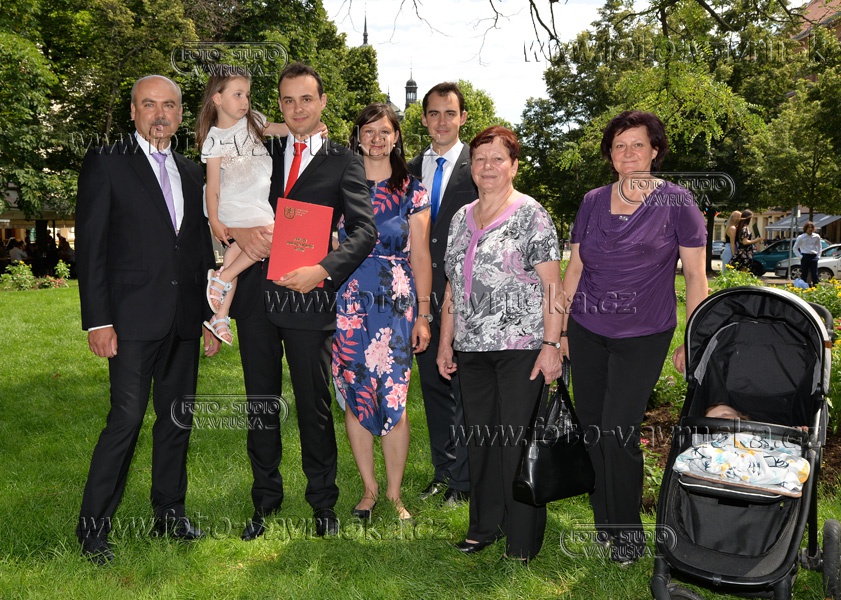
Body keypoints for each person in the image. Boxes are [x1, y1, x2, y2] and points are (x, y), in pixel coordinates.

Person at [226, 62, 376, 540]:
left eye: (306, 99)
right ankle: (265, 500)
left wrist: (323, 270)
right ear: (279, 105)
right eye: (288, 101)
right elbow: (224, 173)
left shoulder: (344, 160)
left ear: (322, 102)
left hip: (309, 297)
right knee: (260, 403)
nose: (297, 109)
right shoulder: (259, 151)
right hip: (256, 298)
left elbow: (365, 231)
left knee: (313, 406)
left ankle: (322, 502)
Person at [75, 75, 219, 565]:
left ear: (180, 114)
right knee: (126, 419)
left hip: (183, 319)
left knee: (177, 419)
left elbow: (198, 250)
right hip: (130, 320)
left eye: (169, 105)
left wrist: (209, 316)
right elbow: (91, 247)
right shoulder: (107, 162)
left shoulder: (192, 172)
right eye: (149, 104)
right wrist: (98, 321)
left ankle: (170, 514)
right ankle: (93, 529)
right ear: (133, 111)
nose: (160, 114)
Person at [560, 110, 707, 565]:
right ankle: (605, 525)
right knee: (592, 430)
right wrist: (559, 329)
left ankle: (628, 536)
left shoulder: (678, 202)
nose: (627, 153)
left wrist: (694, 339)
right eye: (619, 146)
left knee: (617, 432)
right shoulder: (592, 201)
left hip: (644, 333)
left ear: (655, 151)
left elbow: (696, 278)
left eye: (637, 145)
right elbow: (575, 268)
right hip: (586, 328)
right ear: (610, 154)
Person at [437, 126, 563, 562]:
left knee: (516, 443)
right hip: (472, 349)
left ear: (513, 165)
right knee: (481, 441)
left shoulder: (531, 214)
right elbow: (453, 286)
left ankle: (522, 540)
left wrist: (552, 344)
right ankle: (484, 526)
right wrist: (446, 343)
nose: (487, 166)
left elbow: (553, 287)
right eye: (480, 159)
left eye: (497, 159)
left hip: (521, 347)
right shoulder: (461, 217)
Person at [333, 103, 432, 522]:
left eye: (384, 131)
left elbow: (421, 255)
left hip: (396, 303)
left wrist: (424, 314)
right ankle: (368, 490)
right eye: (368, 131)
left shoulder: (413, 190)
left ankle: (394, 494)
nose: (376, 139)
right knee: (356, 392)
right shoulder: (340, 182)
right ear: (357, 136)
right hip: (350, 301)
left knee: (394, 394)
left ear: (396, 137)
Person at [196, 65, 328, 345]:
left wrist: (314, 128)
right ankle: (224, 277)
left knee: (237, 252)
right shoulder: (214, 139)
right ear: (217, 98)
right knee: (276, 237)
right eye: (237, 94)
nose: (245, 101)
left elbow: (285, 128)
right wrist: (215, 221)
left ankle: (220, 314)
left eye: (247, 95)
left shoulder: (254, 121)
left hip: (256, 203)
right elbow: (213, 186)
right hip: (235, 203)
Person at [407, 82, 477, 505]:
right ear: (424, 119)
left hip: (466, 295)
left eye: (450, 113)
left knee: (464, 390)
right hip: (421, 293)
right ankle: (444, 470)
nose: (441, 121)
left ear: (462, 118)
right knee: (433, 386)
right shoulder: (409, 168)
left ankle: (464, 483)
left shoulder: (480, 165)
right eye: (433, 113)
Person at [793, 221, 821, 286]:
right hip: (805, 256)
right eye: (809, 227)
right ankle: (803, 288)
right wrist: (801, 257)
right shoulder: (801, 237)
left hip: (813, 256)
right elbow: (795, 248)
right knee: (804, 274)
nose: (810, 229)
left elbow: (819, 247)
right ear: (806, 228)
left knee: (815, 274)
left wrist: (818, 256)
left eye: (811, 227)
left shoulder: (816, 236)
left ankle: (816, 288)